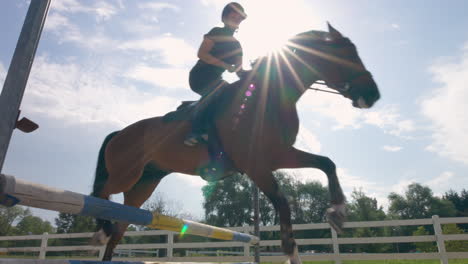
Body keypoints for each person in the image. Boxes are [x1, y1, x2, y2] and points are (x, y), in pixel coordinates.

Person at [184, 2, 247, 147]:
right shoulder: (216, 31)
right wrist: (225, 65)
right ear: (225, 16)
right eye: (234, 13)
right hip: (199, 76)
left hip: (216, 80)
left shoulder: (238, 46)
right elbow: (202, 54)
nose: (237, 17)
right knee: (221, 88)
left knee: (233, 95)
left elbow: (240, 71)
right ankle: (195, 131)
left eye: (240, 16)